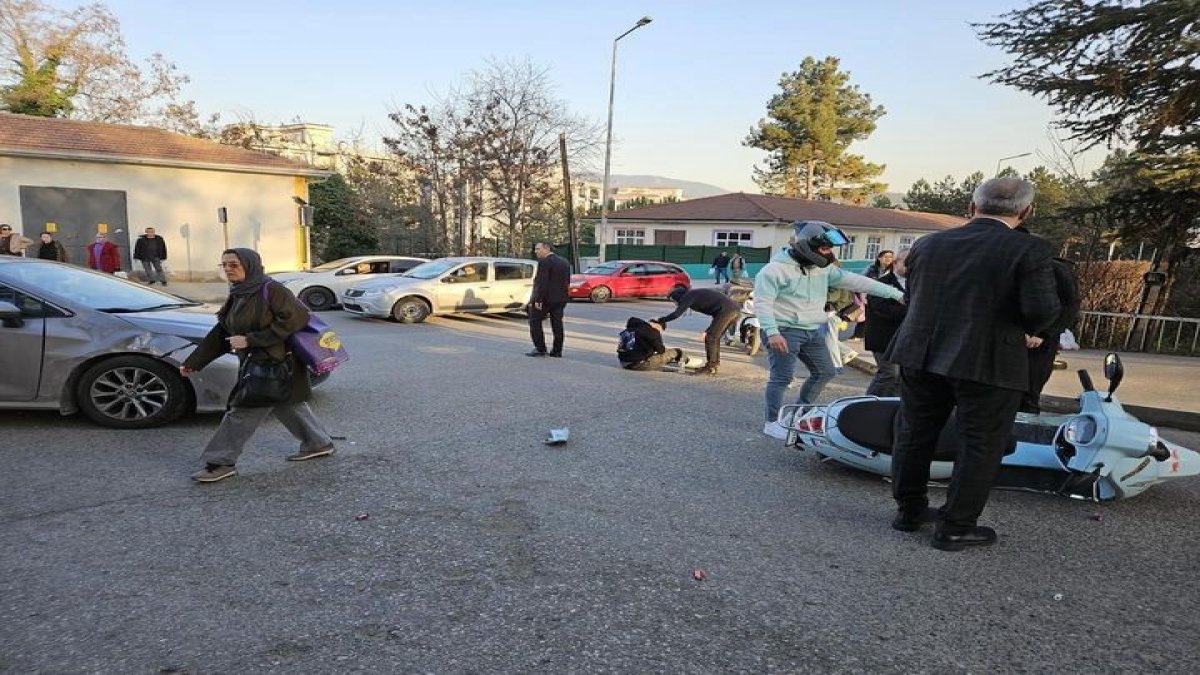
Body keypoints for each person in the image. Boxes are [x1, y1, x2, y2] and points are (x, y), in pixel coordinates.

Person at [886, 177, 1060, 551]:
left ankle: (909, 511)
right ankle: (955, 527)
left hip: (920, 353)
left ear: (971, 207)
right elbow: (1042, 311)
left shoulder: (928, 244)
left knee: (913, 432)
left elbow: (913, 297)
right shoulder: (1031, 251)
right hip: (989, 360)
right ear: (1026, 211)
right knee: (980, 444)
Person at [180, 248, 335, 483]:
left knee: (242, 413)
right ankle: (318, 443)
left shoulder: (271, 289)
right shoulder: (240, 293)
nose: (228, 269)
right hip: (259, 362)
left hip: (275, 363)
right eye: (224, 265)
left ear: (250, 264)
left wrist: (252, 340)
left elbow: (296, 319)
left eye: (234, 264)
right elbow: (223, 330)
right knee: (287, 403)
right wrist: (195, 362)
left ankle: (220, 462)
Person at [756, 221, 905, 440]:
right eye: (825, 249)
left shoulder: (823, 269)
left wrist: (895, 294)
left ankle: (797, 415)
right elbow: (762, 302)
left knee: (825, 371)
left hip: (813, 329)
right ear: (808, 246)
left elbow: (857, 281)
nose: (829, 254)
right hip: (784, 329)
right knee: (782, 378)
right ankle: (771, 422)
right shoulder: (774, 270)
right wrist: (772, 332)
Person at [1017, 227, 1080, 414]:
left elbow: (1069, 306)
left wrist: (1042, 333)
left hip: (1039, 343)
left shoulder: (1056, 269)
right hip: (1011, 339)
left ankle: (1024, 435)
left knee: (1028, 393)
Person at [655, 286, 740, 376]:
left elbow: (676, 314)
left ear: (677, 296)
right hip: (733, 310)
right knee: (714, 337)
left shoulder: (688, 296)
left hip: (727, 311)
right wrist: (708, 330)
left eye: (674, 300)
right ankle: (714, 364)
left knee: (711, 338)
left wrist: (660, 320)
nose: (675, 303)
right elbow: (716, 314)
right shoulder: (693, 294)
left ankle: (710, 366)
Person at [863, 249, 909, 397]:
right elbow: (882, 309)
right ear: (896, 263)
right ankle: (865, 404)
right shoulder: (881, 283)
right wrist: (911, 309)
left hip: (906, 339)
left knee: (902, 378)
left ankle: (891, 408)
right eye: (907, 262)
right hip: (884, 338)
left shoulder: (918, 282)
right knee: (889, 374)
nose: (911, 266)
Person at [527, 242, 571, 357]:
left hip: (546, 299)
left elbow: (542, 282)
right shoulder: (564, 261)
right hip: (561, 298)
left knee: (534, 321)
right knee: (557, 324)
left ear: (546, 248)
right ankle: (557, 351)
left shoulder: (544, 262)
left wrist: (538, 299)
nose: (536, 251)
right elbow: (567, 281)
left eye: (538, 249)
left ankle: (540, 348)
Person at [616, 317, 686, 371]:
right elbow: (661, 350)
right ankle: (686, 362)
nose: (660, 333)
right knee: (676, 351)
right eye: (661, 331)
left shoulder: (634, 327)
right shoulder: (653, 332)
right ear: (659, 327)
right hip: (637, 364)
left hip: (623, 362)